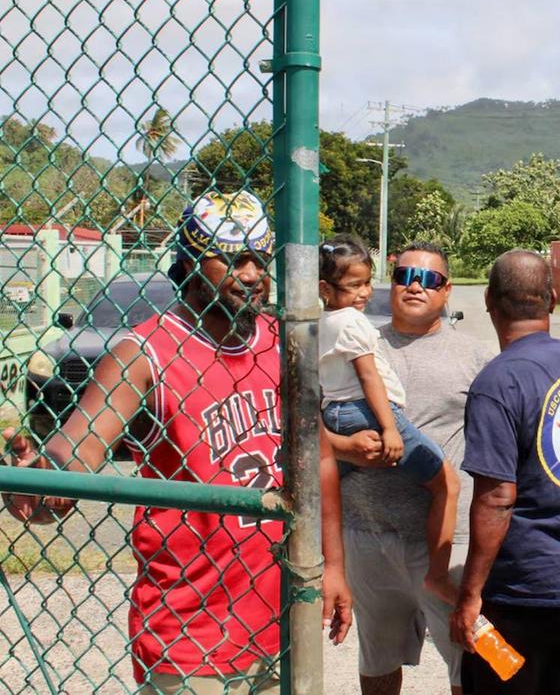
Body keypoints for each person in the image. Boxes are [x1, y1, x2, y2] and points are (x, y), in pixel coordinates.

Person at [3, 191, 352, 694]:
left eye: (259, 258)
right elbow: (77, 445)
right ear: (188, 266)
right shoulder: (144, 354)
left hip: (281, 618)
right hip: (189, 634)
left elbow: (318, 457)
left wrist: (334, 566)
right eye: (231, 259)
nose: (252, 274)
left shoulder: (283, 342)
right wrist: (39, 479)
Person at [449, 250, 560, 695]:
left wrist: (470, 595)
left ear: (490, 300)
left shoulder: (497, 382)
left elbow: (496, 497)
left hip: (525, 590)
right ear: (553, 299)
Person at [325, 241, 492, 695]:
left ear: (447, 290)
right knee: (376, 660)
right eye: (404, 276)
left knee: (469, 662)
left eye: (429, 279)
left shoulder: (477, 359)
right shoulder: (355, 342)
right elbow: (307, 424)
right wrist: (345, 448)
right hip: (367, 535)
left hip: (443, 542)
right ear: (390, 283)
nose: (415, 287)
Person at [318, 234, 460, 610]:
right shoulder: (356, 324)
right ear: (325, 288)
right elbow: (369, 379)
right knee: (448, 482)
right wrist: (389, 429)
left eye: (367, 282)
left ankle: (320, 560)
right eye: (404, 276)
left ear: (447, 290)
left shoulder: (320, 323)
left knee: (328, 485)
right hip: (366, 416)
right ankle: (439, 576)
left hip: (336, 413)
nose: (365, 292)